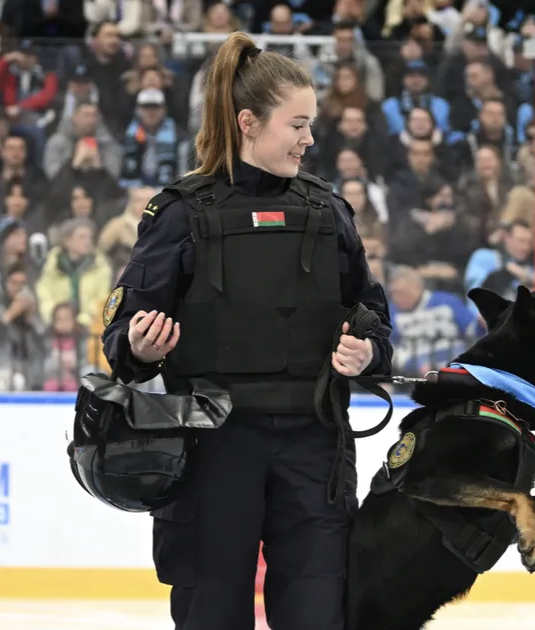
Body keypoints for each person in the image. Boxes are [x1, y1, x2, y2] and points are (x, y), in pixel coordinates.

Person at [100, 32, 394, 630]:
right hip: (212, 450)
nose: (310, 139)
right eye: (298, 125)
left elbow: (373, 317)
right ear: (248, 122)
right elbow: (124, 334)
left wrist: (368, 352)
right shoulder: (182, 212)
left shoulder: (328, 210)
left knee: (317, 615)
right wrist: (138, 344)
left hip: (314, 450)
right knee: (212, 612)